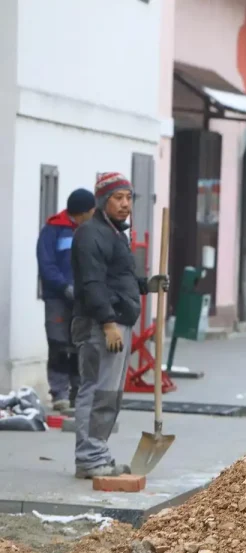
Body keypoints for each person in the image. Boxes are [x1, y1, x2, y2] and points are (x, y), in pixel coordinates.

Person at [72, 173, 168, 479]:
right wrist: (108, 322)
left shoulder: (115, 233)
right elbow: (92, 283)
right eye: (118, 197)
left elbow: (118, 280)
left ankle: (96, 453)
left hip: (114, 320)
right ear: (103, 200)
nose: (125, 204)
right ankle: (90, 456)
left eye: (129, 197)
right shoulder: (91, 234)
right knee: (99, 390)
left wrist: (146, 285)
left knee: (108, 391)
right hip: (100, 324)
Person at [36, 188, 96, 411]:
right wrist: (64, 287)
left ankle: (78, 392)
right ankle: (59, 393)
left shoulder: (90, 230)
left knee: (81, 345)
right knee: (59, 344)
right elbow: (46, 264)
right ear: (82, 213)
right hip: (57, 299)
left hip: (83, 299)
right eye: (91, 210)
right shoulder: (53, 230)